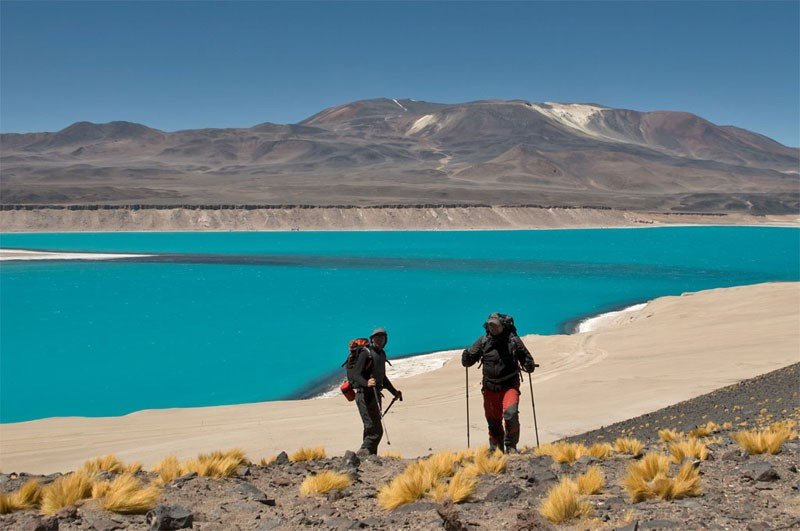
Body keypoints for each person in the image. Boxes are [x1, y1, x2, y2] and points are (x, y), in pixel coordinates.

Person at [462, 313, 536, 454]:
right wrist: (466, 357)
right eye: (490, 324)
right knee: (493, 420)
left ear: (503, 326)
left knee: (510, 414)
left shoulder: (513, 341)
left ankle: (511, 447)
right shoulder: (483, 341)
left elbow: (528, 360)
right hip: (490, 388)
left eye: (495, 325)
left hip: (509, 386)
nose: (492, 327)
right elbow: (468, 361)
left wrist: (528, 364)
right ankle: (496, 449)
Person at [349, 327, 403, 456]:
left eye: (382, 337)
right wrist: (366, 383)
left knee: (370, 429)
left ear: (386, 340)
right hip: (364, 395)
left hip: (375, 395)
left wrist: (394, 392)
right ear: (372, 339)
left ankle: (371, 457)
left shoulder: (381, 354)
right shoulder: (366, 353)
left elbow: (382, 377)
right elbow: (356, 374)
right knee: (375, 430)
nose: (380, 339)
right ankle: (362, 455)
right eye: (377, 337)